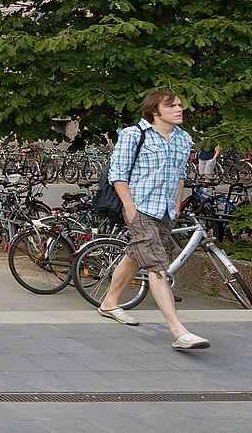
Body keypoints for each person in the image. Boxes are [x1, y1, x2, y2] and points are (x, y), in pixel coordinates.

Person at [96, 90, 208, 350]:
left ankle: (110, 302)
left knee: (137, 254)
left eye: (180, 105)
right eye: (172, 106)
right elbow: (118, 175)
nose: (180, 109)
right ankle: (179, 331)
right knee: (157, 264)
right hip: (140, 209)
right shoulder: (134, 135)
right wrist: (129, 206)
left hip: (166, 210)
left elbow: (181, 174)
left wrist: (177, 204)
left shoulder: (183, 138)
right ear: (155, 111)